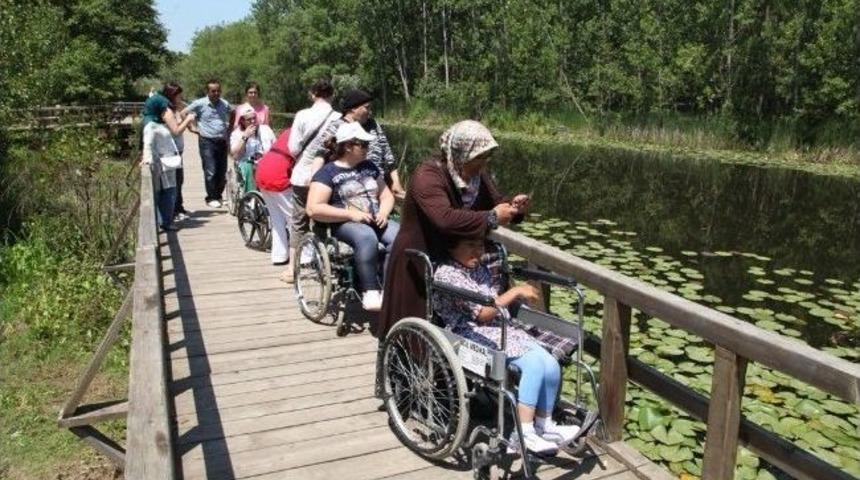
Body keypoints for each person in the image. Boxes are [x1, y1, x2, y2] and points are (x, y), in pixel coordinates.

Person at [376, 120, 529, 339]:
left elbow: (494, 202)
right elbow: (444, 218)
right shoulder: (427, 177)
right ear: (461, 154)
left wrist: (513, 207)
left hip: (452, 258)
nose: (483, 164)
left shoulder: (477, 177)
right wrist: (492, 217)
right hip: (419, 258)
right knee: (413, 329)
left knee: (450, 327)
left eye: (486, 157)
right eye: (478, 158)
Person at [433, 235, 582, 455]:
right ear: (451, 247)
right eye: (470, 245)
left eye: (480, 245)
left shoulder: (479, 268)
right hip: (469, 333)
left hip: (499, 327)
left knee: (549, 363)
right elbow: (482, 313)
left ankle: (544, 424)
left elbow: (492, 308)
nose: (478, 251)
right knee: (533, 366)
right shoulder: (447, 274)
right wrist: (514, 292)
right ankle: (522, 433)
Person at [306, 122, 400, 311]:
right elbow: (313, 208)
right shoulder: (327, 173)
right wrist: (351, 214)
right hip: (343, 223)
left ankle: (390, 287)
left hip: (375, 218)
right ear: (348, 146)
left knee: (401, 237)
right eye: (363, 145)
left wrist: (383, 212)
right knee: (366, 236)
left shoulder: (370, 167)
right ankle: (370, 291)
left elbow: (386, 195)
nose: (368, 148)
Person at [280, 79, 339, 282]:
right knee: (324, 221)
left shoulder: (303, 115)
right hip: (328, 177)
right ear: (332, 95)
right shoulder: (338, 117)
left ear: (313, 94)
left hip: (302, 175)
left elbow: (294, 148)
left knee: (298, 221)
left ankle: (292, 269)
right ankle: (323, 264)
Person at [140, 82, 196, 221]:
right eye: (179, 96)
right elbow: (176, 131)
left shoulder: (159, 105)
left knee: (174, 182)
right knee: (172, 183)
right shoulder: (166, 109)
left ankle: (174, 211)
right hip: (167, 154)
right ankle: (170, 215)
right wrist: (188, 119)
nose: (180, 98)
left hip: (163, 151)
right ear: (173, 95)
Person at [182, 79, 232, 208]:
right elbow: (183, 113)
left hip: (222, 141)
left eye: (218, 91)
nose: (216, 93)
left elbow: (233, 113)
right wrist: (191, 127)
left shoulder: (224, 103)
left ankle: (219, 196)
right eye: (213, 91)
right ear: (207, 91)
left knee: (222, 171)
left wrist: (230, 128)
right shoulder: (200, 103)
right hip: (207, 141)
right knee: (211, 170)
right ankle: (211, 197)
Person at [141, 120, 182, 232]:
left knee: (168, 192)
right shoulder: (151, 125)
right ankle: (163, 222)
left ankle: (164, 221)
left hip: (166, 164)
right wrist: (147, 158)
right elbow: (148, 144)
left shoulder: (159, 124)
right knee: (163, 193)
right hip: (160, 164)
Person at [230, 109, 276, 193]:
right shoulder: (237, 134)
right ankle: (250, 195)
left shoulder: (265, 130)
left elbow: (275, 146)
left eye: (254, 118)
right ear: (242, 121)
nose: (253, 121)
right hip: (245, 162)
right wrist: (245, 137)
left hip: (264, 161)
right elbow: (235, 155)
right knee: (249, 167)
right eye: (249, 120)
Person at [362, 114, 405, 197]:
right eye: (366, 107)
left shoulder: (373, 123)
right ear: (353, 108)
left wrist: (396, 181)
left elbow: (388, 154)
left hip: (381, 183)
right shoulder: (341, 126)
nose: (370, 111)